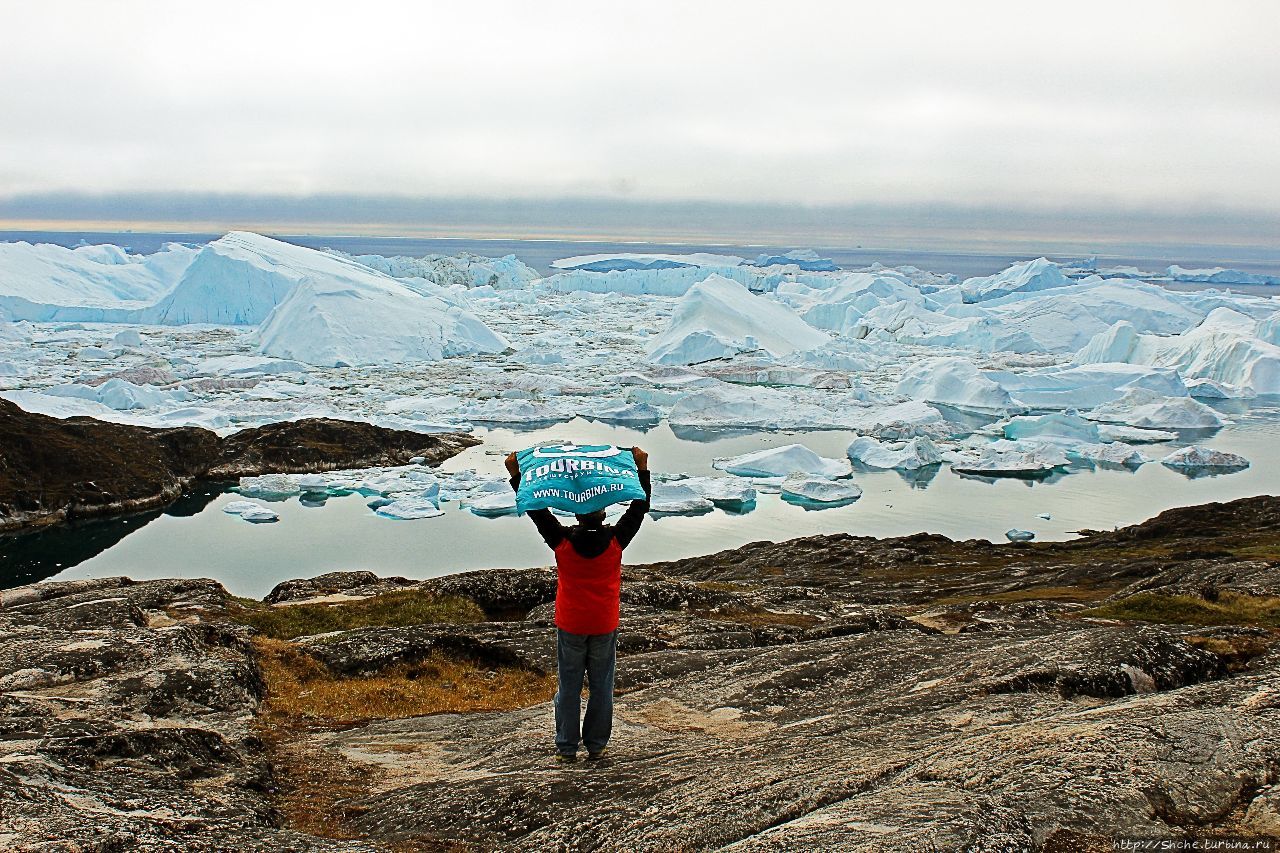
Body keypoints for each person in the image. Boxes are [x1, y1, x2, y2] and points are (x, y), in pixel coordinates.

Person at [505, 446, 651, 763]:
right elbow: (639, 508)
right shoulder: (616, 541)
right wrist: (642, 468)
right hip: (603, 623)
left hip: (571, 623)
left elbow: (537, 511)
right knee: (601, 687)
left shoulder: (562, 542)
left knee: (569, 687)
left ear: (577, 515)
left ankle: (567, 748)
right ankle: (596, 746)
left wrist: (516, 474)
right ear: (602, 514)